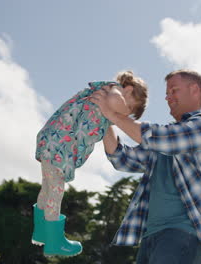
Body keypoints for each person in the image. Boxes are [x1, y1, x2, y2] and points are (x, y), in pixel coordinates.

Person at [89, 69, 201, 264]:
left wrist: (114, 114)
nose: (168, 97)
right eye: (167, 93)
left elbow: (159, 138)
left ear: (194, 90)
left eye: (174, 90)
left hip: (184, 233)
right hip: (151, 236)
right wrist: (105, 119)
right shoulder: (165, 142)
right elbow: (122, 158)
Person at [31, 71, 148, 257]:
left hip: (54, 142)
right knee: (55, 190)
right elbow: (116, 103)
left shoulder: (106, 100)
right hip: (58, 144)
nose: (126, 113)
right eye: (130, 107)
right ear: (129, 90)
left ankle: (41, 232)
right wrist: (124, 113)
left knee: (47, 189)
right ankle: (54, 241)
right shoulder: (114, 92)